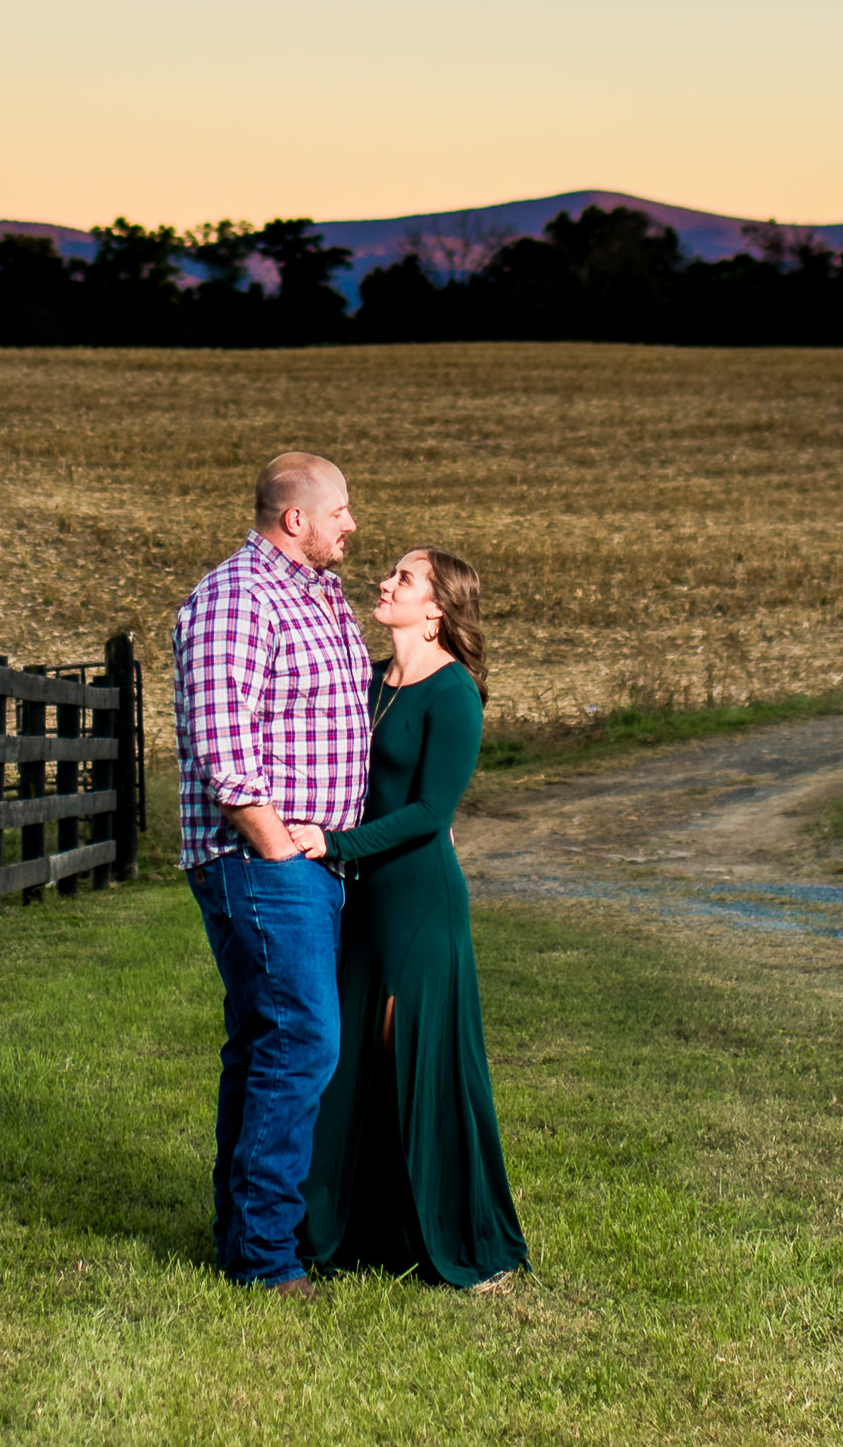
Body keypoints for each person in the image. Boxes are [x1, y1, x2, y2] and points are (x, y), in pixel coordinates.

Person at [292, 544, 528, 1289]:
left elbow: (431, 813)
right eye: (390, 572)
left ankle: (462, 1235)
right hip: (363, 899)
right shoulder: (370, 680)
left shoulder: (454, 692)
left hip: (421, 900)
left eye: (404, 577)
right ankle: (351, 1232)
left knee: (421, 1063)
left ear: (436, 609)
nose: (384, 583)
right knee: (352, 1062)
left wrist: (334, 843)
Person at [174, 449, 375, 1293]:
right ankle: (265, 1259)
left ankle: (240, 1235)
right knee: (302, 1040)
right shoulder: (238, 597)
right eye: (340, 512)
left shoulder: (317, 593)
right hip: (264, 862)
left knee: (264, 1041)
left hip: (304, 861)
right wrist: (274, 842)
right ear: (295, 518)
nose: (352, 525)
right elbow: (223, 747)